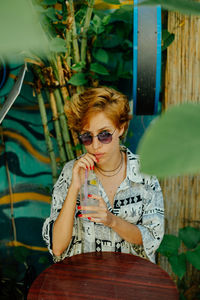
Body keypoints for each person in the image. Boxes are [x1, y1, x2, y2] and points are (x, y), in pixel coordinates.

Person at [42, 86, 164, 263]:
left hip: (131, 279)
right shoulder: (72, 171)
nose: (95, 145)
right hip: (83, 279)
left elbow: (152, 239)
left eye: (104, 135)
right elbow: (58, 247)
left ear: (121, 128)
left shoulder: (145, 174)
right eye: (87, 136)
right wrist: (74, 187)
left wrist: (111, 220)